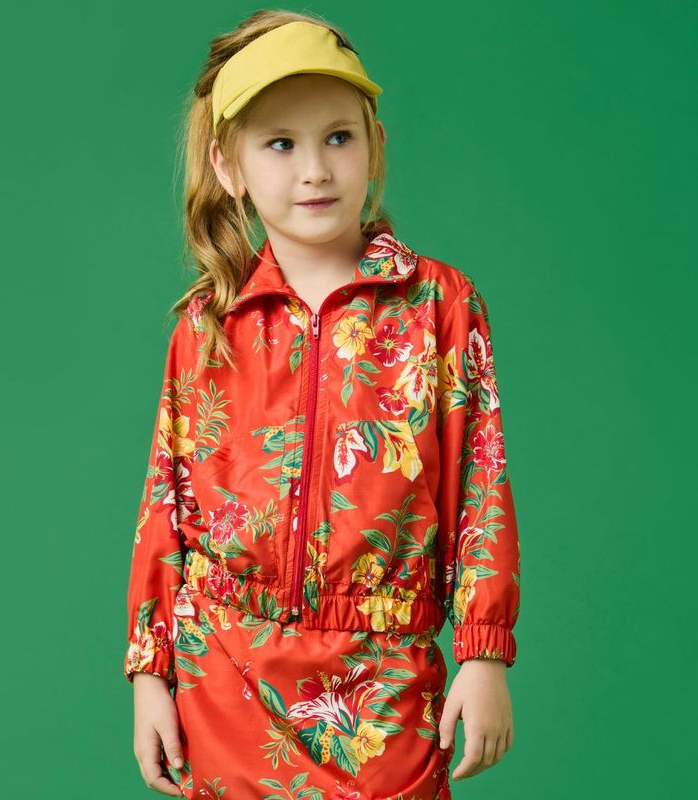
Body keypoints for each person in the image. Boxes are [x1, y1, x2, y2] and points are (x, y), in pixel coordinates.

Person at [123, 10, 521, 800]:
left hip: (383, 686)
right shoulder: (206, 326)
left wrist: (483, 654)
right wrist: (150, 672)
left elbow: (481, 484)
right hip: (224, 676)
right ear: (228, 165)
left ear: (375, 146)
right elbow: (165, 503)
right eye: (281, 144)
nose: (315, 169)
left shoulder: (439, 305)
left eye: (338, 137)